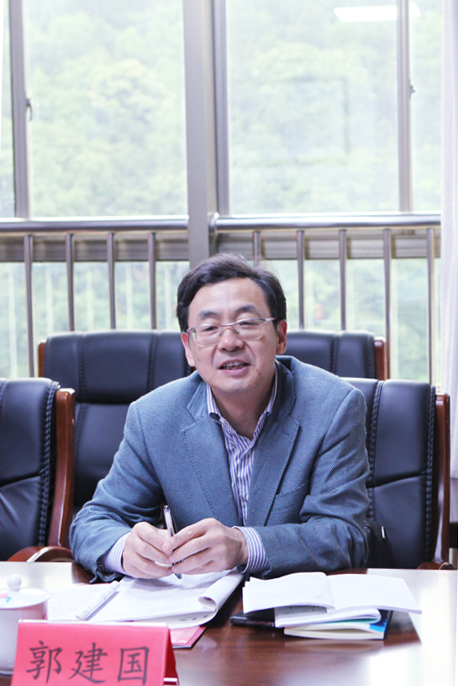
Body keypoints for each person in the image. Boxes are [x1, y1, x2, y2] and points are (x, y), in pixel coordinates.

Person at [70, 253, 370, 581]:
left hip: (295, 604)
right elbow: (94, 522)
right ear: (189, 348)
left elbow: (344, 534)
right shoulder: (154, 417)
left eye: (247, 323)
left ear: (281, 336)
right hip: (197, 607)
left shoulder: (333, 407)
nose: (229, 342)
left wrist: (244, 546)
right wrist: (125, 549)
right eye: (210, 328)